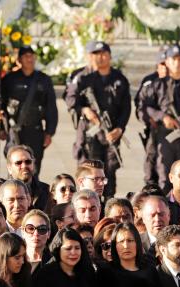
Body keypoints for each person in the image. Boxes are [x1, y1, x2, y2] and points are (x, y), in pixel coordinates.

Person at [65, 41, 131, 198]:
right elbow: (70, 99)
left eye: (104, 54)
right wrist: (84, 109)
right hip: (89, 133)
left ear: (109, 56)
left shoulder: (119, 79)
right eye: (96, 54)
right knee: (88, 173)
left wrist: (120, 129)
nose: (100, 58)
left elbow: (126, 107)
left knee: (109, 175)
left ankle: (107, 209)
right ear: (89, 56)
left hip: (110, 135)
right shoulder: (81, 77)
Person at [142, 45, 180, 192]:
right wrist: (162, 116)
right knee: (165, 178)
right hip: (164, 137)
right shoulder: (158, 84)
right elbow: (147, 107)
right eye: (173, 59)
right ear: (167, 62)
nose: (177, 63)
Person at [0, 46, 58, 174]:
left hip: (35, 131)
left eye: (32, 56)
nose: (29, 59)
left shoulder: (44, 80)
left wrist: (49, 132)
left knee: (32, 169)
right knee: (14, 169)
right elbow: (0, 103)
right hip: (14, 131)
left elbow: (51, 107)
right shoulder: (9, 79)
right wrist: (1, 128)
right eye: (26, 56)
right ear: (19, 60)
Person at [134, 48, 168, 186]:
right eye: (162, 64)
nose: (165, 68)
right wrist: (148, 119)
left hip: (172, 133)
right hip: (153, 131)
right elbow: (140, 106)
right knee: (151, 165)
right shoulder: (149, 81)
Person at [5, 145, 50, 212]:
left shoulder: (46, 191)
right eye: (18, 163)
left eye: (28, 162)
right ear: (9, 168)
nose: (24, 166)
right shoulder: (2, 192)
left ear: (33, 164)